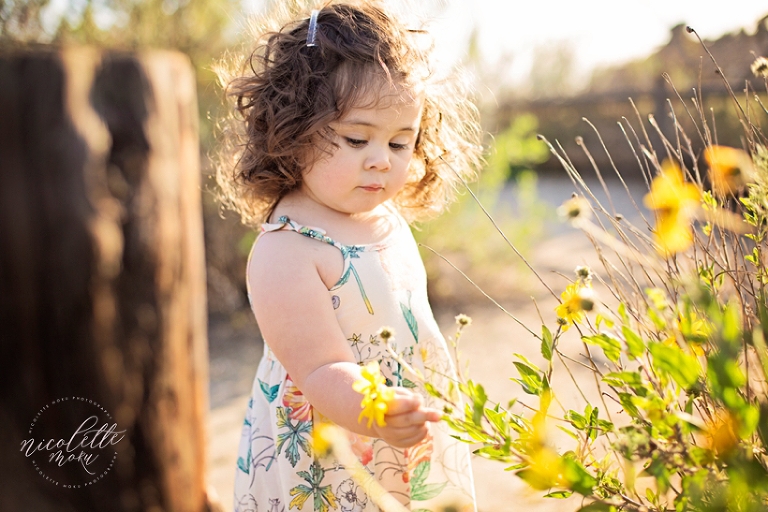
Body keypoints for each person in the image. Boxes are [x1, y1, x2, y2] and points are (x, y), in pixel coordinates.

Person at [216, 2, 483, 510]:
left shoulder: (385, 218)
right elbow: (320, 371)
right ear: (293, 131)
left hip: (406, 429)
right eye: (357, 138)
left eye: (401, 142)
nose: (382, 159)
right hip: (334, 452)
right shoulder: (287, 248)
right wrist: (375, 414)